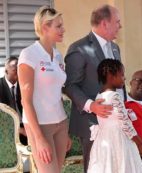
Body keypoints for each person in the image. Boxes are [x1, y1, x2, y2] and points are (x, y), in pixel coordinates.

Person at [64, 4, 126, 172]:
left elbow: (119, 83)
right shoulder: (78, 48)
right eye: (117, 22)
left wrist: (125, 108)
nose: (120, 26)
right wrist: (92, 106)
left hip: (118, 122)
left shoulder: (115, 48)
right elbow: (70, 85)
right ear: (105, 23)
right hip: (92, 123)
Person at [18, 6, 71, 173]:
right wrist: (39, 138)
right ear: (45, 27)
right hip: (39, 125)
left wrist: (66, 130)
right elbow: (25, 100)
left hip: (60, 122)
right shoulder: (29, 54)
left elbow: (56, 93)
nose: (63, 30)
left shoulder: (57, 55)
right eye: (58, 26)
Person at [87, 59, 142, 173]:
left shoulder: (99, 96)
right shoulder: (115, 96)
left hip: (103, 140)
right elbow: (125, 124)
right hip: (118, 141)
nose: (124, 78)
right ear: (111, 76)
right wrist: (140, 143)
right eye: (122, 75)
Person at [0, 57, 27, 145]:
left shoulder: (24, 85)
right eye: (15, 70)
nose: (19, 72)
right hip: (7, 128)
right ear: (6, 71)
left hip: (25, 124)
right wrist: (19, 129)